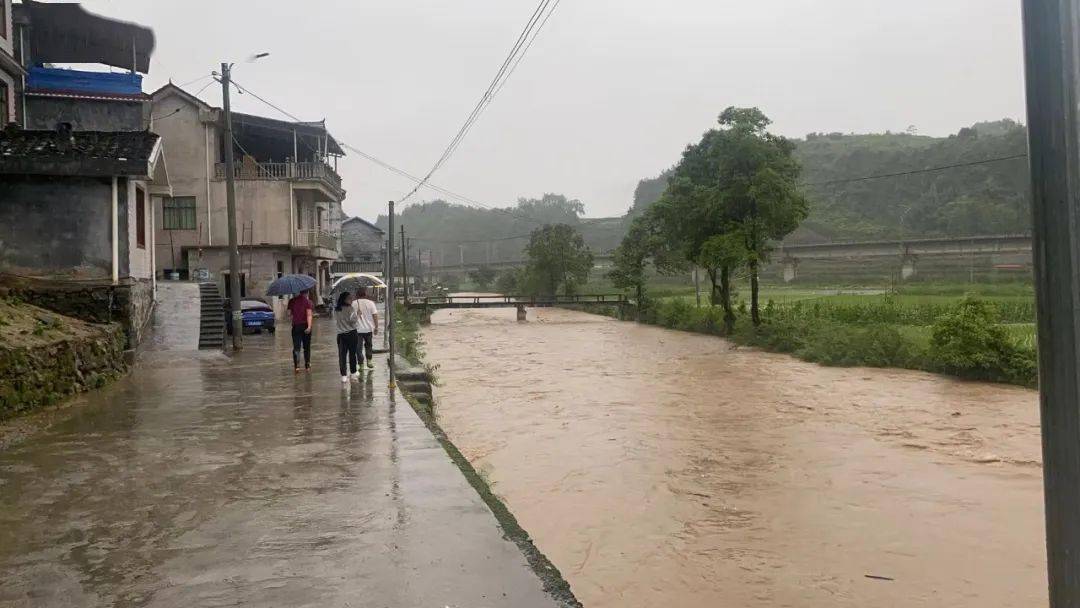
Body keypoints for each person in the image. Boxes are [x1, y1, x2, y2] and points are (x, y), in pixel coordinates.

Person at [333, 291, 360, 383]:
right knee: (352, 354)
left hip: (341, 335)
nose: (351, 299)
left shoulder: (336, 309)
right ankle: (353, 373)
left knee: (342, 355)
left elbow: (338, 320)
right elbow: (353, 321)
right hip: (352, 334)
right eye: (349, 298)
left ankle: (343, 375)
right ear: (344, 299)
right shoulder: (351, 309)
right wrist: (358, 315)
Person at [352, 286, 379, 369]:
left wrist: (356, 314)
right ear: (365, 294)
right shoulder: (371, 303)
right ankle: (369, 361)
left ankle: (361, 365)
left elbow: (350, 318)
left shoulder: (353, 303)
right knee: (369, 345)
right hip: (368, 329)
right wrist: (376, 327)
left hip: (357, 330)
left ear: (357, 294)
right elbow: (375, 315)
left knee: (358, 348)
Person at [287, 289, 314, 372]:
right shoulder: (307, 301)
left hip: (296, 327)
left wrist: (293, 314)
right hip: (305, 326)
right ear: (306, 293)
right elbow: (309, 315)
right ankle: (307, 366)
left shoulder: (291, 301)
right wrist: (309, 327)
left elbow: (288, 314)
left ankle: (297, 366)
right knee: (307, 347)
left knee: (296, 347)